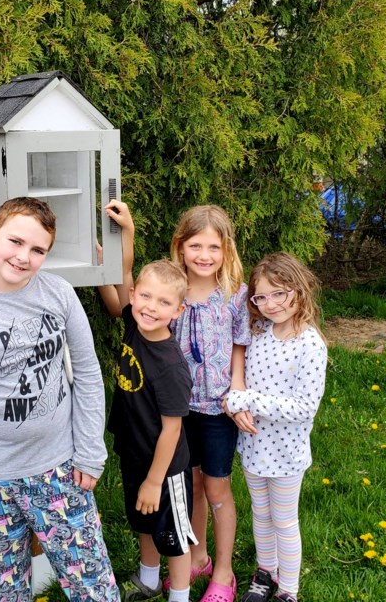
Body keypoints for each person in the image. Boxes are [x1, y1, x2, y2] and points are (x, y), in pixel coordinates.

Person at [0, 197, 118, 602]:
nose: (23, 257)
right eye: (15, 242)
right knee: (6, 590)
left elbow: (87, 374)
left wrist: (89, 451)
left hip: (60, 470)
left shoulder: (60, 294)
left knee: (93, 586)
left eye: (38, 250)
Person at [98, 201, 199, 602]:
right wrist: (128, 234)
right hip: (134, 451)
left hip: (166, 468)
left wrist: (156, 480)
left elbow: (173, 428)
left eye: (162, 303)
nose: (150, 307)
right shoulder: (134, 324)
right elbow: (121, 275)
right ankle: (148, 581)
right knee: (143, 521)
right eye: (145, 296)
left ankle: (179, 596)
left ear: (178, 310)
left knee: (172, 535)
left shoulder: (172, 365)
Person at [225, 252, 327, 602]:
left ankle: (288, 590)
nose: (271, 304)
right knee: (261, 513)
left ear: (299, 289)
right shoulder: (258, 332)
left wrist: (248, 400)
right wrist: (236, 404)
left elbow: (303, 408)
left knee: (284, 521)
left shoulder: (310, 345)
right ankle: (265, 573)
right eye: (262, 297)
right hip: (254, 446)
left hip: (286, 453)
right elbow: (240, 378)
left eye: (280, 293)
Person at [166, 205, 251, 602]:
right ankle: (196, 555)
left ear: (226, 250)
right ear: (180, 247)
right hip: (180, 409)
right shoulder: (173, 289)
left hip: (218, 408)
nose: (204, 255)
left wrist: (235, 391)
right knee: (192, 485)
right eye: (195, 245)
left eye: (213, 247)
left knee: (217, 488)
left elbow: (239, 345)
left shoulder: (234, 294)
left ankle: (223, 571)